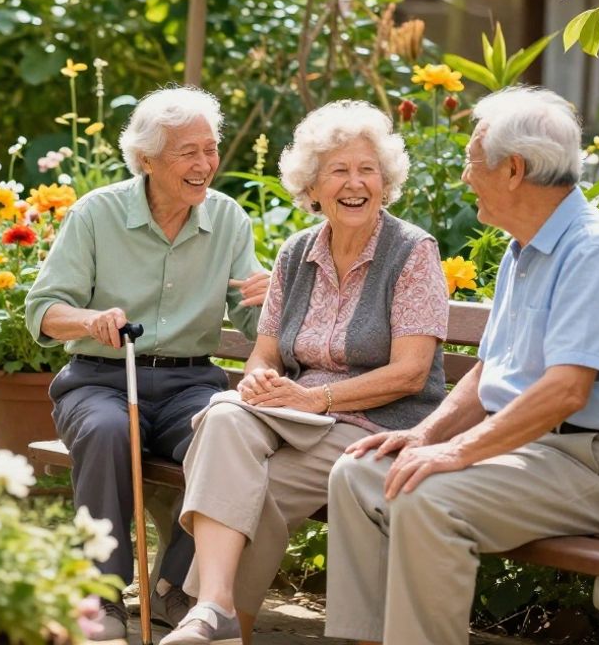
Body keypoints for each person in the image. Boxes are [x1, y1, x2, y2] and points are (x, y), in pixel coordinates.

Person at [324, 87, 599, 645]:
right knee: (359, 475)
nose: (464, 176)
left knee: (425, 499)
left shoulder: (594, 250)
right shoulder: (523, 248)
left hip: (594, 464)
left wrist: (455, 451)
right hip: (528, 453)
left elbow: (565, 392)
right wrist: (422, 435)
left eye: (470, 160)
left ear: (513, 169)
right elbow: (489, 373)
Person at [159, 100, 449, 644]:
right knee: (225, 415)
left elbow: (412, 374)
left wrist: (320, 399)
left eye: (367, 170)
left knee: (255, 487)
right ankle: (216, 607)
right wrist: (257, 380)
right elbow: (266, 352)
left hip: (374, 427)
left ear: (386, 183)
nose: (355, 182)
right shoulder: (297, 254)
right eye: (338, 171)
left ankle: (213, 618)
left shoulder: (412, 252)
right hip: (296, 417)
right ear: (312, 188)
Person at [25, 86, 271, 640]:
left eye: (210, 150)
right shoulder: (98, 213)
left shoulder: (228, 219)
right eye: (189, 152)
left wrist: (270, 297)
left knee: (233, 440)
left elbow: (258, 323)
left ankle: (172, 588)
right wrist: (88, 321)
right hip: (101, 380)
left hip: (191, 383)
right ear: (147, 159)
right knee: (111, 431)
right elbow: (42, 311)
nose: (205, 164)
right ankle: (104, 600)